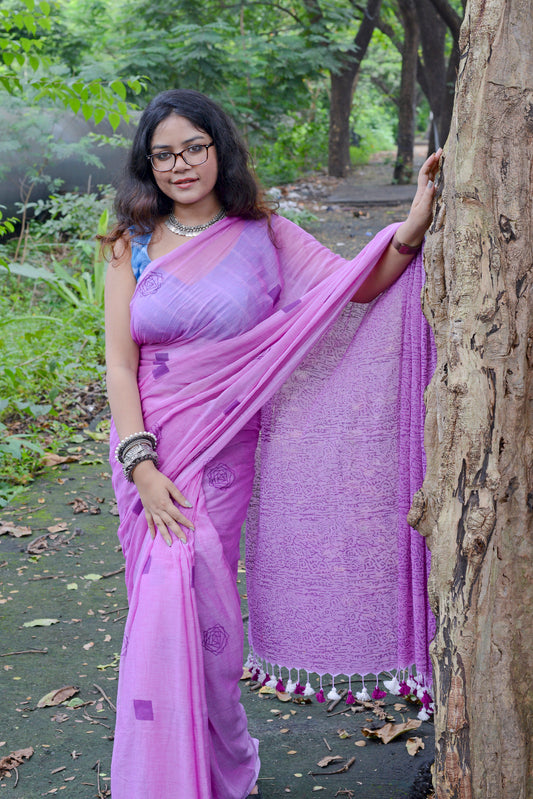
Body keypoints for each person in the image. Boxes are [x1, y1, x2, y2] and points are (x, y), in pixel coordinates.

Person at [103, 88, 441, 799]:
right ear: (148, 165)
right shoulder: (128, 243)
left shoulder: (264, 233)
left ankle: (220, 760)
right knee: (163, 597)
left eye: (193, 147)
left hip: (223, 448)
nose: (180, 164)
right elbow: (119, 362)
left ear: (218, 149)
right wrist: (140, 464)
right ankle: (163, 775)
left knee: (206, 600)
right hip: (149, 449)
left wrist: (411, 224)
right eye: (163, 154)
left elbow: (352, 288)